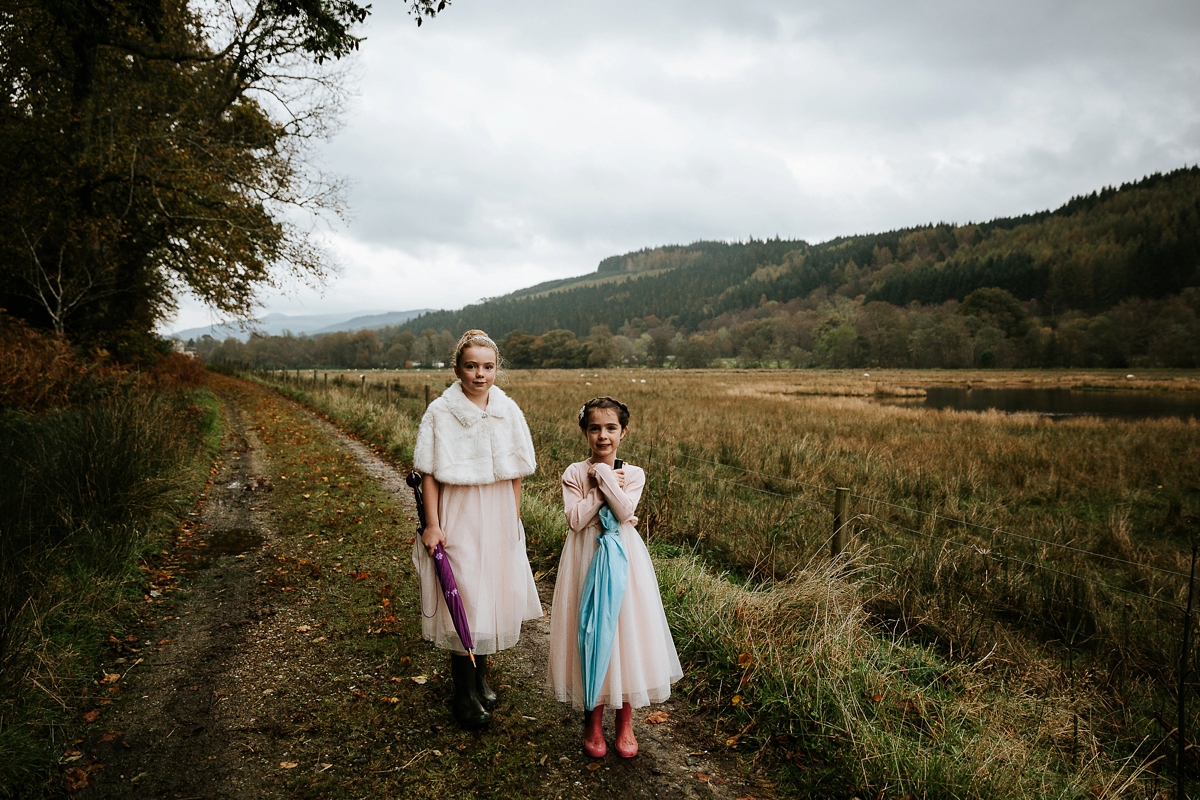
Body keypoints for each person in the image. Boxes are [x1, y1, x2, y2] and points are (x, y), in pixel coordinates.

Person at [412, 329, 541, 730]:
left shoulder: (508, 411)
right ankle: (463, 694)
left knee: (489, 593)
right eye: (471, 366)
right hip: (461, 511)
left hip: (499, 510)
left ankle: (480, 679)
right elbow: (429, 474)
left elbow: (517, 474)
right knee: (463, 595)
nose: (479, 374)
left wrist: (513, 521)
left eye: (487, 367)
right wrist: (433, 525)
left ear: (497, 369)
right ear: (457, 369)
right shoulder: (440, 411)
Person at [547, 396, 682, 758]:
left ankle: (625, 722)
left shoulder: (634, 473)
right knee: (591, 631)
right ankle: (593, 719)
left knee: (625, 632)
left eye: (610, 428)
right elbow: (575, 520)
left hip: (623, 557)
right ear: (584, 432)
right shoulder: (574, 472)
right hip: (585, 558)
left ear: (623, 432)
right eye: (594, 428)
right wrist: (603, 484)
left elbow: (624, 511)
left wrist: (605, 480)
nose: (602, 436)